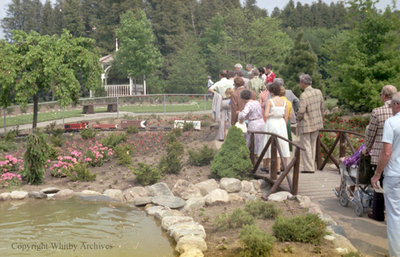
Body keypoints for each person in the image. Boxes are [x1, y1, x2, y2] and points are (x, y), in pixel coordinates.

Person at [371, 92, 400, 257]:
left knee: (395, 216)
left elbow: (387, 153)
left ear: (396, 105)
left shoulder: (392, 122)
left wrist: (377, 174)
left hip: (395, 174)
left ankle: (396, 253)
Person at [363, 85, 397, 221]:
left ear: (384, 95)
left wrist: (367, 149)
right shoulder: (397, 110)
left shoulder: (378, 111)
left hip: (380, 153)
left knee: (379, 183)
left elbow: (371, 134)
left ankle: (378, 214)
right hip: (396, 154)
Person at [296, 74, 324, 174]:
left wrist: (297, 117)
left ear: (303, 83)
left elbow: (302, 110)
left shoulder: (304, 95)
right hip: (317, 122)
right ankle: (311, 165)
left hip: (306, 123)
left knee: (306, 145)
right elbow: (322, 107)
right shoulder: (318, 92)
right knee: (312, 145)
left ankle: (309, 167)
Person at [260, 81, 290, 172]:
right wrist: (283, 124)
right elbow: (286, 116)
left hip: (272, 122)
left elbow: (266, 114)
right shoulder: (284, 102)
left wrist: (272, 113)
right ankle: (278, 168)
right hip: (281, 123)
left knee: (268, 142)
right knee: (280, 144)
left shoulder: (270, 101)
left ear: (271, 92)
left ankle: (267, 166)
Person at [238, 89, 265, 160]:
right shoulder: (256, 102)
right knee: (260, 140)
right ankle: (260, 155)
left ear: (243, 98)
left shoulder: (248, 104)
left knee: (252, 140)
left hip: (254, 123)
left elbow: (243, 114)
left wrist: (239, 114)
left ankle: (253, 157)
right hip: (261, 122)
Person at [208, 70, 234, 141]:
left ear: (220, 75)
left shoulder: (218, 83)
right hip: (230, 101)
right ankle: (231, 135)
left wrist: (217, 94)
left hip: (222, 101)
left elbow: (210, 89)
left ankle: (221, 136)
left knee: (222, 120)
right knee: (231, 118)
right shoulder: (231, 82)